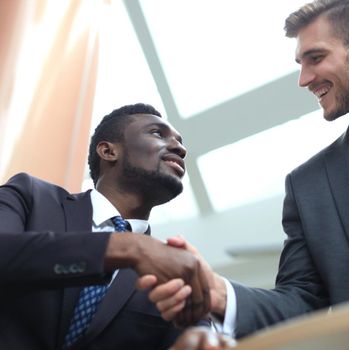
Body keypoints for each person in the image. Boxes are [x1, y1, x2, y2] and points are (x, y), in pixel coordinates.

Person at [145, 0, 349, 339]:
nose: (304, 79)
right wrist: (219, 293)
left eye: (316, 58)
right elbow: (299, 301)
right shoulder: (307, 187)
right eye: (300, 63)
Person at [0, 103, 210, 349]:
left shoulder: (173, 273)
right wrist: (126, 248)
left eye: (180, 141)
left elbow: (197, 335)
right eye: (157, 133)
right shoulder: (30, 195)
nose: (180, 148)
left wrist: (208, 337)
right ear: (109, 151)